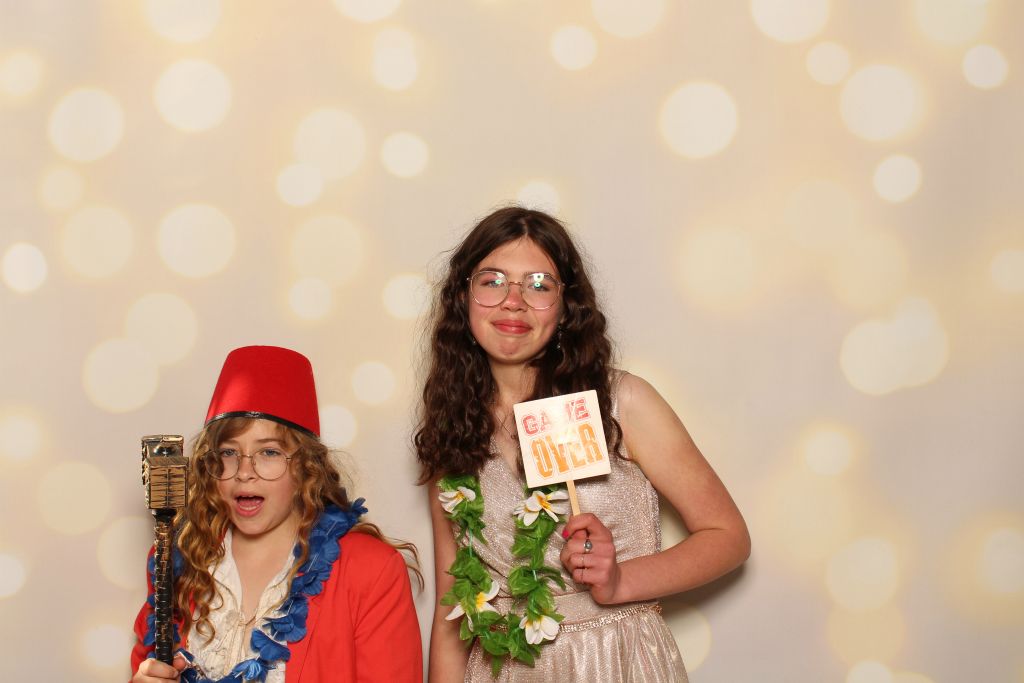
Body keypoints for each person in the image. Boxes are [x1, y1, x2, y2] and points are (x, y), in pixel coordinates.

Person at [415, 207, 751, 681]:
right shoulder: (452, 429)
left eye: (539, 285)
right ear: (463, 296)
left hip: (615, 662)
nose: (514, 302)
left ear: (566, 305)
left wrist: (621, 580)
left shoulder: (622, 402)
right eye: (493, 281)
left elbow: (728, 537)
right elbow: (453, 607)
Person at [131, 345, 422, 683]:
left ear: (306, 466)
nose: (244, 472)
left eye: (268, 452)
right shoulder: (177, 560)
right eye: (228, 453)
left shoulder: (371, 570)